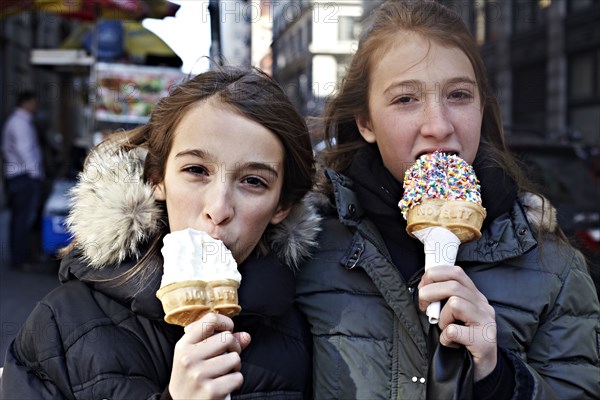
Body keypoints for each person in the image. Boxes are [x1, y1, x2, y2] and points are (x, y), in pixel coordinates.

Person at [295, 1, 600, 399]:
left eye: (458, 95)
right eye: (405, 99)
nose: (439, 125)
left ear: (481, 107)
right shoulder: (307, 250)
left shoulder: (555, 268)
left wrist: (498, 374)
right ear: (366, 122)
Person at [1, 66, 319, 399]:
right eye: (196, 170)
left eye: (254, 181)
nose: (219, 208)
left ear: (281, 205)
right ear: (157, 179)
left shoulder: (308, 331)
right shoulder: (59, 324)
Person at [1, 90, 44, 269]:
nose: (36, 106)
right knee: (22, 219)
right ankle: (20, 259)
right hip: (23, 176)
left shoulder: (19, 122)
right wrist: (36, 174)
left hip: (19, 176)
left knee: (21, 219)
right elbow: (25, 150)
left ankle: (21, 256)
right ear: (25, 103)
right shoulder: (20, 123)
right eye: (34, 102)